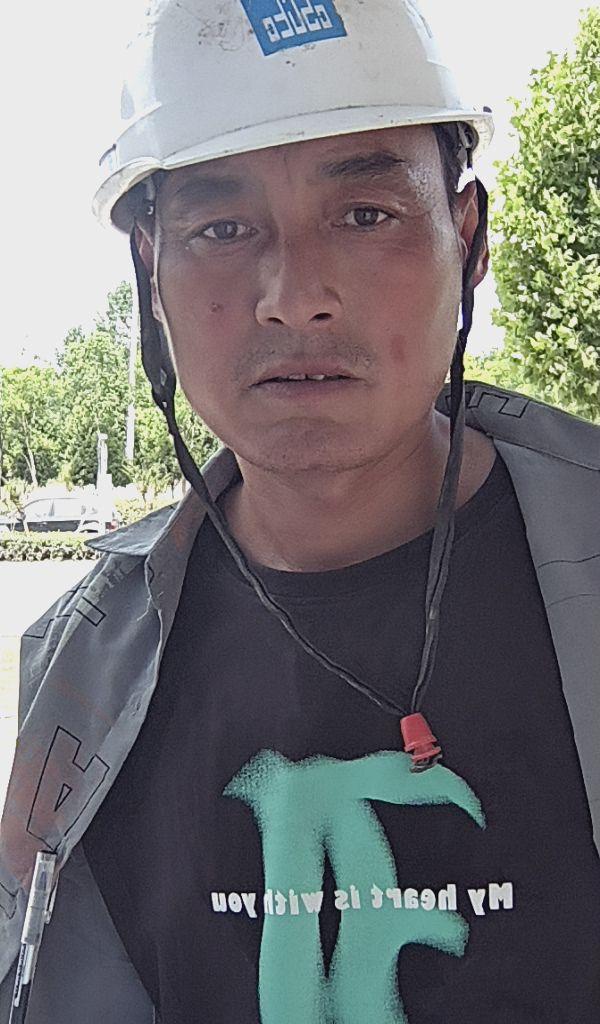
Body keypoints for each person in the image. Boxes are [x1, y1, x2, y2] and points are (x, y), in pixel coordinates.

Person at [1, 1, 599, 1021]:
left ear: (467, 239)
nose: (293, 294)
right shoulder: (80, 673)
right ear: (150, 272)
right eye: (222, 230)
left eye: (365, 215)